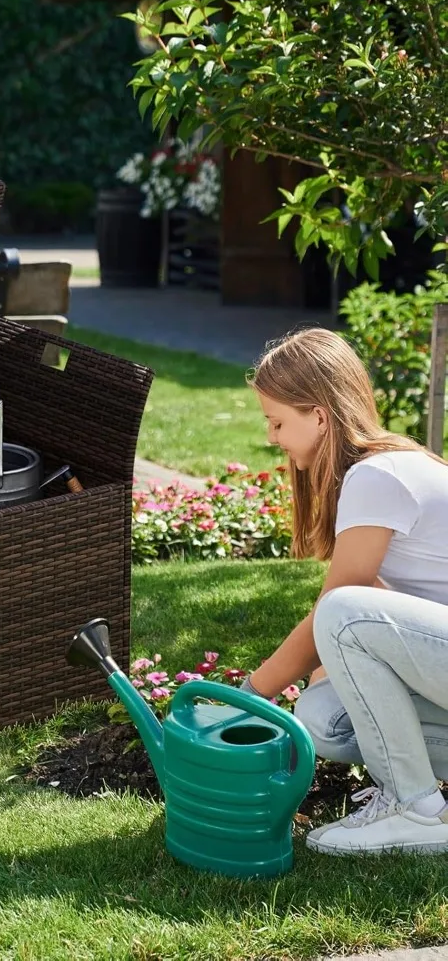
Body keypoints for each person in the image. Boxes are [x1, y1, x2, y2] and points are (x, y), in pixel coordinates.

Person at [239, 326, 448, 856]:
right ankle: (409, 797)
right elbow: (381, 606)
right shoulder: (381, 470)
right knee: (323, 718)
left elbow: (343, 610)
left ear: (319, 415)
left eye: (277, 421)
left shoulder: (376, 475)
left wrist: (250, 695)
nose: (272, 437)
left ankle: (416, 808)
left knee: (342, 612)